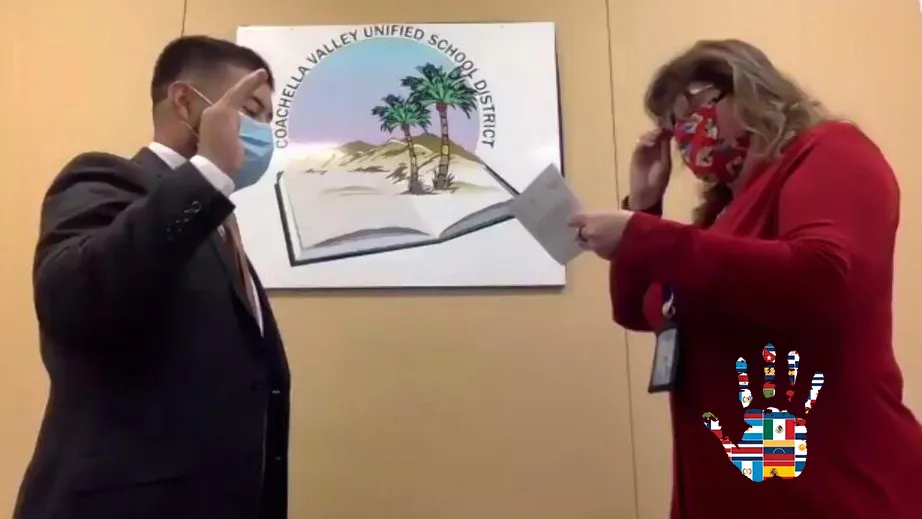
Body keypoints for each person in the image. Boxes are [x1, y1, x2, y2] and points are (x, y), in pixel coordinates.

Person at [570, 39, 922, 519]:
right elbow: (639, 310)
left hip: (834, 489)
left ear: (748, 89)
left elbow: (824, 278)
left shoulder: (832, 150)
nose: (683, 134)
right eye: (672, 125)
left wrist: (646, 235)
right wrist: (644, 203)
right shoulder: (723, 217)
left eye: (691, 109)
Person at [14, 36, 290, 519]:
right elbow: (74, 297)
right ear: (185, 102)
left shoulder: (220, 230)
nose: (262, 131)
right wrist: (207, 174)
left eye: (269, 119)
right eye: (250, 110)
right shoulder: (104, 179)